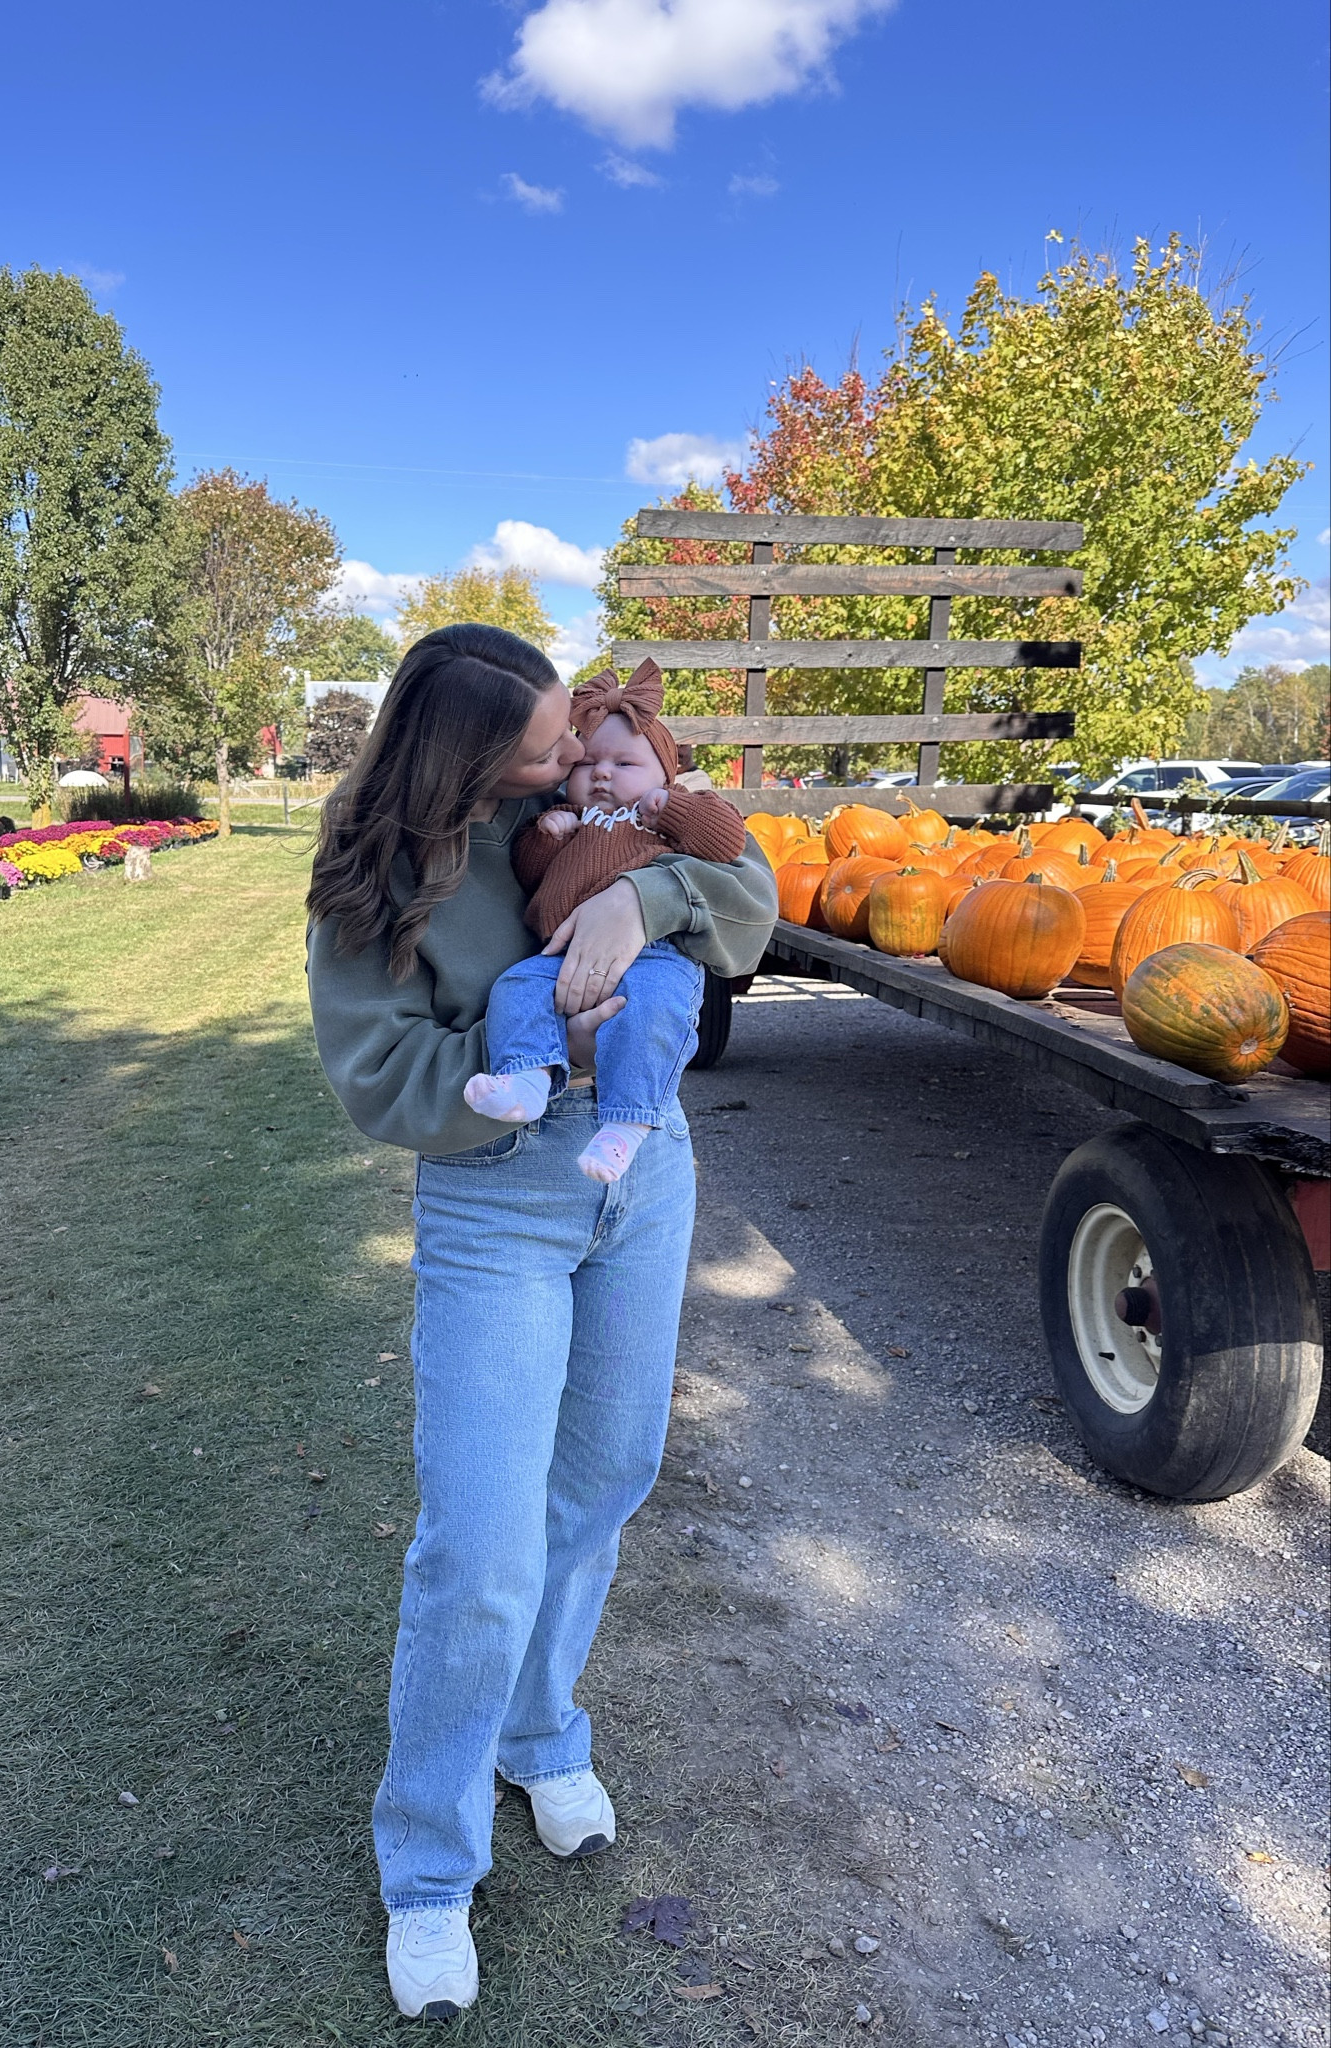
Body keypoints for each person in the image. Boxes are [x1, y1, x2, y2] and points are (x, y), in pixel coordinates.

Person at [305, 624, 775, 2022]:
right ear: (462, 758)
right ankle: (429, 1868)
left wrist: (652, 905)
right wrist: (551, 1047)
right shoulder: (374, 868)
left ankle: (534, 1729)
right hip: (494, 1193)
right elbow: (377, 1077)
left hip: (642, 1173)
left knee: (607, 1475)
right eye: (538, 746)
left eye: (570, 730)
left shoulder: (600, 798)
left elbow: (746, 902)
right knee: (480, 1543)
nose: (570, 755)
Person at [463, 658, 747, 1183]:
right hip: (562, 954)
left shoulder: (665, 814)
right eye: (587, 764)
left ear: (666, 774)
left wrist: (673, 810)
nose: (602, 773)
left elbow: (729, 843)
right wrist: (549, 836)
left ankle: (629, 1124)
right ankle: (526, 1076)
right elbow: (531, 877)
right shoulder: (568, 819)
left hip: (656, 955)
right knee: (516, 987)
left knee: (654, 1013)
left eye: (625, 764)